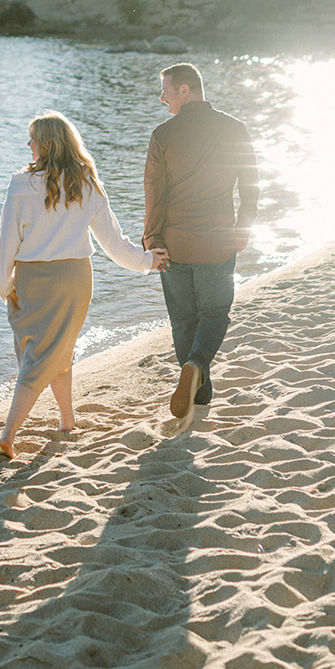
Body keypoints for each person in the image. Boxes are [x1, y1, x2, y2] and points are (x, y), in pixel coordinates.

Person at [0, 111, 168, 458]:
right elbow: (113, 242)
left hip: (31, 280)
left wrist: (3, 285)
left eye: (33, 139)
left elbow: (6, 244)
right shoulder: (85, 181)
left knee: (38, 354)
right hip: (73, 279)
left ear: (47, 144)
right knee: (56, 349)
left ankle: (9, 434)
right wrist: (146, 260)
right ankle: (67, 421)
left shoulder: (20, 184)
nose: (29, 145)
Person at [143, 63, 258, 418]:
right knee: (214, 314)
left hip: (174, 243)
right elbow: (250, 184)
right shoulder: (234, 128)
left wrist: (151, 237)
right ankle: (196, 369)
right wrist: (244, 225)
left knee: (182, 318)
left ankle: (195, 384)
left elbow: (154, 193)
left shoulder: (163, 134)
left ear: (185, 90)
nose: (162, 96)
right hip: (218, 240)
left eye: (166, 89)